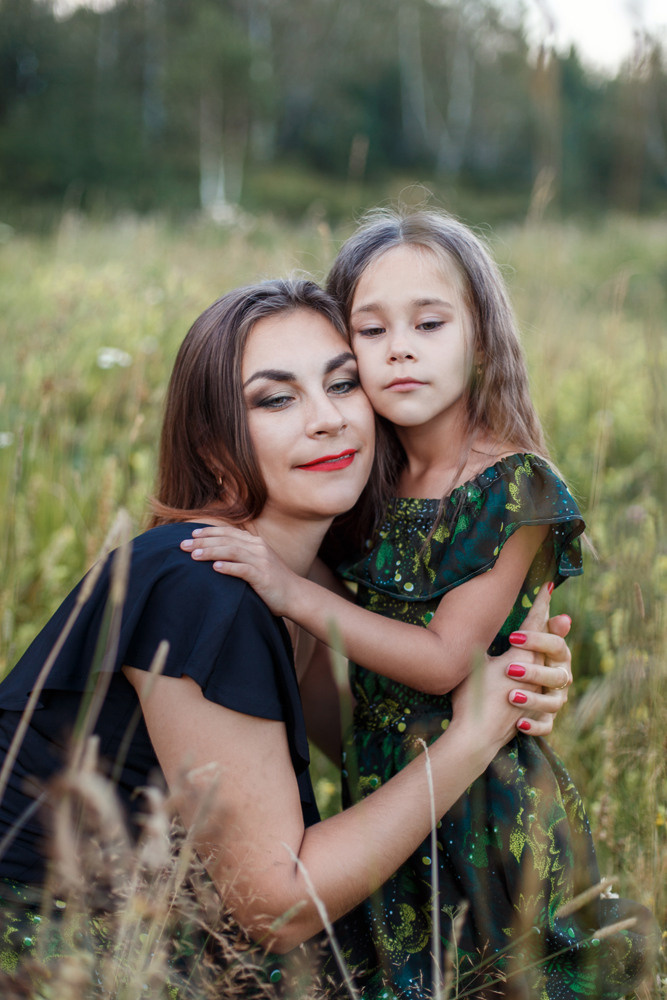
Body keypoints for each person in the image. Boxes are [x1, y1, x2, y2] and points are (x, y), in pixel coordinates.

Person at [0, 278, 572, 995]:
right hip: (57, 955)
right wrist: (471, 737)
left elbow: (373, 745)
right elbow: (277, 906)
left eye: (341, 384)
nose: (327, 420)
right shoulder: (202, 587)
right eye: (275, 399)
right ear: (212, 446)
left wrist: (516, 688)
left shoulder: (298, 584)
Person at [180, 215, 657, 998]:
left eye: (428, 323)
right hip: (379, 787)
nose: (399, 347)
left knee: (499, 976)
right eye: (371, 330)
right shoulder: (365, 474)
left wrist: (287, 588)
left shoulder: (513, 487)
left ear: (478, 341)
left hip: (483, 804)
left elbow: (443, 661)